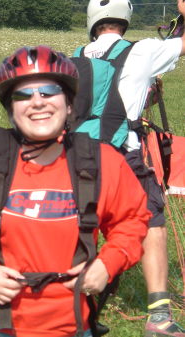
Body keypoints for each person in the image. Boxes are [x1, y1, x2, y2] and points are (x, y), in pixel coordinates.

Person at [0, 45, 149, 337]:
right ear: (11, 109)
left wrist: (109, 263)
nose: (37, 102)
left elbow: (132, 221)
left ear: (69, 104)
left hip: (70, 323)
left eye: (49, 92)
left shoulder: (101, 162)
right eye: (23, 95)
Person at [83, 1, 185, 336]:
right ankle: (158, 317)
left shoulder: (77, 55)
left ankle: (68, 300)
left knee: (81, 222)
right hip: (121, 155)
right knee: (151, 221)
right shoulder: (141, 52)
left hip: (77, 153)